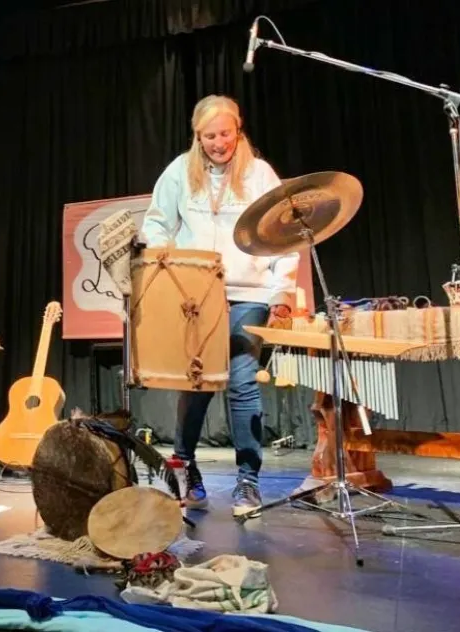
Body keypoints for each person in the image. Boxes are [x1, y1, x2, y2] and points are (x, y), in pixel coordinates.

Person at [140, 95, 299, 518]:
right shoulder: (180, 171)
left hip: (250, 292)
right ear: (198, 136)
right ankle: (186, 467)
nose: (218, 142)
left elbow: (286, 234)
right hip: (196, 294)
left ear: (238, 129)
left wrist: (283, 291)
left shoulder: (260, 174)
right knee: (196, 383)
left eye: (225, 133)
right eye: (209, 135)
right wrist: (168, 265)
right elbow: (155, 223)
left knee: (243, 381)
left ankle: (248, 480)